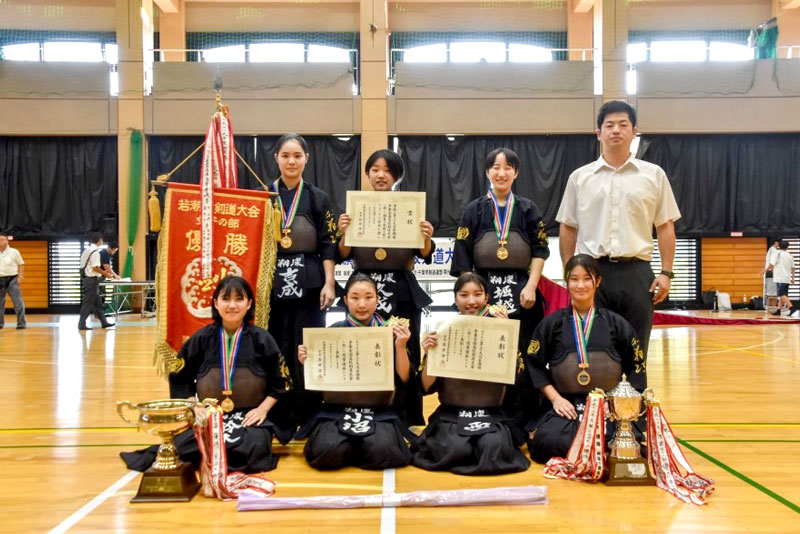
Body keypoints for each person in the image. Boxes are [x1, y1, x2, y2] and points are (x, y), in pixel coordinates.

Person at [556, 100, 681, 390]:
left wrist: (666, 272)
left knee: (636, 350)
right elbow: (567, 226)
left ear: (634, 131)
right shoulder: (580, 177)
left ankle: (632, 420)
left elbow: (665, 226)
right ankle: (593, 418)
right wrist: (570, 273)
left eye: (623, 124)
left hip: (638, 274)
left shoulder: (654, 175)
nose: (616, 130)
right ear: (598, 133)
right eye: (609, 125)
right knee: (593, 348)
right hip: (592, 273)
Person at [121, 276, 293, 473]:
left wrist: (262, 410)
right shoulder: (201, 338)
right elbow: (180, 377)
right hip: (212, 414)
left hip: (249, 416)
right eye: (225, 299)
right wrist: (194, 407)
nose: (232, 305)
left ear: (249, 304)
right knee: (179, 448)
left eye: (239, 299)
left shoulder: (262, 338)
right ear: (215, 303)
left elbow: (283, 382)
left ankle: (215, 458)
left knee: (253, 449)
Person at [451, 147, 550, 437]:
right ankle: (489, 411)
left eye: (508, 167)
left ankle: (527, 419)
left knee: (525, 357)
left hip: (523, 294)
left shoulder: (529, 209)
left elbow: (541, 250)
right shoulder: (473, 210)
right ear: (487, 172)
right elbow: (463, 258)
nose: (501, 172)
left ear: (516, 173)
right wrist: (473, 300)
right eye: (495, 167)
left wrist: (531, 285)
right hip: (484, 292)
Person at [336, 149, 435, 426]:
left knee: (406, 348)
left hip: (401, 289)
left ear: (397, 176)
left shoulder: (409, 207)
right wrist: (345, 232)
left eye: (388, 170)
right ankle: (363, 406)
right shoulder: (356, 208)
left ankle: (408, 414)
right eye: (375, 169)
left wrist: (426, 236)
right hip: (363, 289)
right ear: (367, 174)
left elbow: (424, 254)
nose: (381, 175)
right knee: (362, 347)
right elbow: (342, 253)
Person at [525, 254, 642, 464]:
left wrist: (616, 405)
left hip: (607, 408)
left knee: (624, 440)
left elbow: (636, 367)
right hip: (566, 405)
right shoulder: (552, 324)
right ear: (566, 282)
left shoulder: (617, 324)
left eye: (587, 279)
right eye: (574, 279)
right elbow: (534, 364)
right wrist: (555, 399)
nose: (580, 285)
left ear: (597, 281)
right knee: (548, 441)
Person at [412, 273, 531, 475]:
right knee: (456, 449)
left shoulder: (501, 330)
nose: (471, 301)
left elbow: (517, 379)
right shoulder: (444, 332)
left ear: (487, 298)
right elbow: (424, 387)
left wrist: (507, 337)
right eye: (464, 295)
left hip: (490, 413)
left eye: (477, 294)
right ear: (455, 298)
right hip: (453, 414)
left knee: (492, 448)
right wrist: (431, 354)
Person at [295, 272, 415, 470]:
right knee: (325, 453)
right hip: (338, 409)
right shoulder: (332, 332)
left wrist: (400, 346)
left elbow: (404, 378)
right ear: (345, 300)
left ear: (377, 298)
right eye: (355, 297)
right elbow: (315, 383)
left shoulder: (390, 331)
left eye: (368, 297)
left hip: (379, 409)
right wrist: (306, 362)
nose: (362, 304)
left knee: (385, 452)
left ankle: (358, 448)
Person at [267, 133, 337, 428]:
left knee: (307, 346)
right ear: (277, 159)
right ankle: (277, 413)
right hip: (272, 282)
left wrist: (329, 283)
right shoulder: (263, 195)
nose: (291, 161)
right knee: (276, 345)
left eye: (297, 155)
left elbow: (328, 242)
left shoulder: (318, 197)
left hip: (310, 281)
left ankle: (308, 414)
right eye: (286, 155)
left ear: (306, 159)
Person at [78, 233, 113, 330]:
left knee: (98, 303)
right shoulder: (95, 252)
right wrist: (106, 274)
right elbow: (95, 268)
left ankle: (104, 322)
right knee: (88, 303)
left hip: (87, 278)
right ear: (100, 240)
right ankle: (81, 324)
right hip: (92, 280)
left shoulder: (86, 250)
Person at [0, 233, 26, 330]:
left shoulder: (14, 252)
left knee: (18, 302)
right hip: (0, 279)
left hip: (12, 279)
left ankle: (21, 323)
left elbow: (21, 264)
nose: (1, 242)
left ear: (7, 241)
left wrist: (20, 276)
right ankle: (0, 323)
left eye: (3, 240)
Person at [769, 240, 795, 315]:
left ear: (779, 246)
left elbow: (772, 264)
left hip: (780, 277)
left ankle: (791, 307)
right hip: (787, 278)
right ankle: (779, 310)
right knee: (784, 295)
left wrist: (764, 270)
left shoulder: (777, 253)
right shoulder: (790, 255)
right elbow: (793, 268)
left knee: (781, 294)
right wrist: (793, 278)